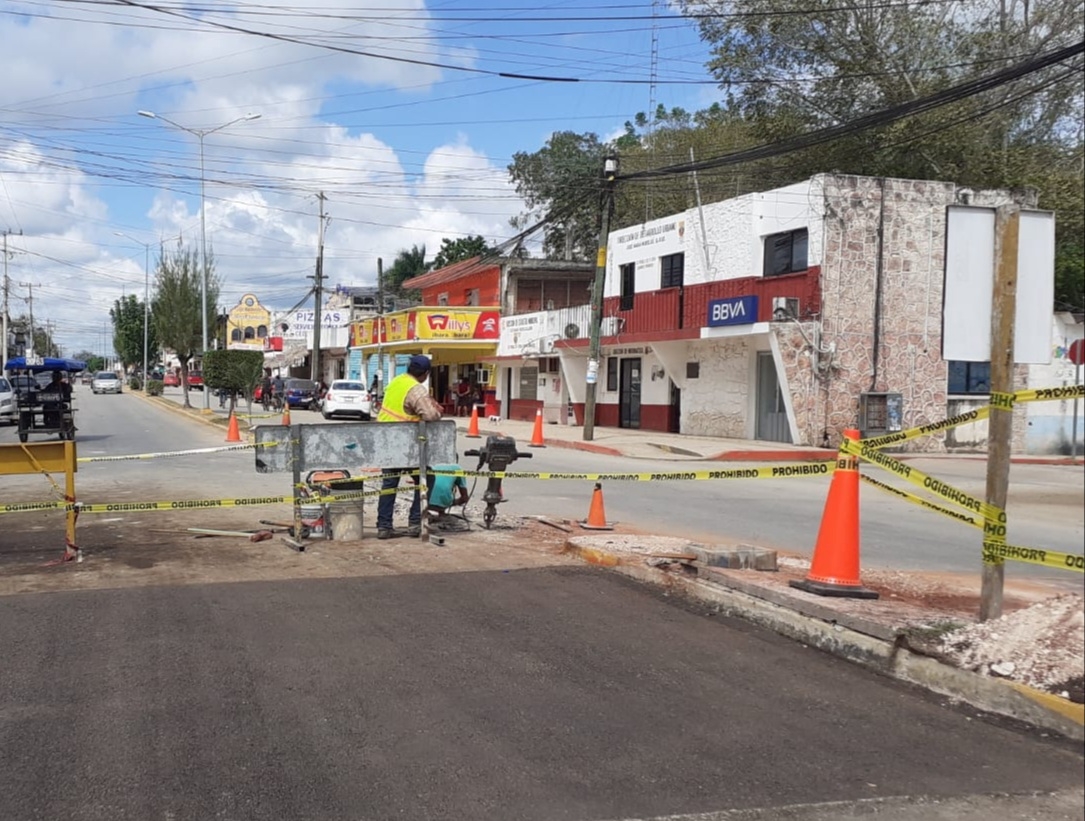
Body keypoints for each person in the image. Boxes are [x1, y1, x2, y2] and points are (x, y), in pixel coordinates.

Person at [375, 354, 444, 539]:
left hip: (387, 440)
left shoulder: (397, 381)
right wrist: (437, 409)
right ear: (426, 374)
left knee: (389, 483)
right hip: (405, 444)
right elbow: (430, 415)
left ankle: (384, 527)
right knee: (426, 479)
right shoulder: (416, 389)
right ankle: (415, 523)